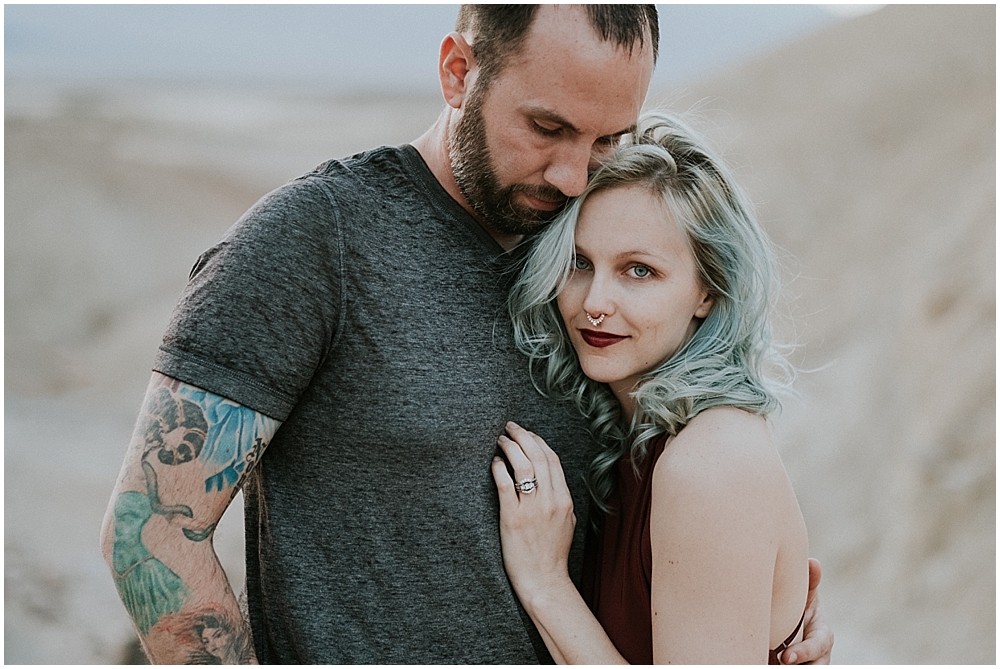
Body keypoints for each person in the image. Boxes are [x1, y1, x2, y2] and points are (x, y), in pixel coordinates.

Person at [100, 6, 833, 663]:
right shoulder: (317, 239)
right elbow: (150, 531)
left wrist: (755, 624)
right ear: (458, 72)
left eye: (608, 138)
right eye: (547, 128)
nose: (575, 174)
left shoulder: (583, 264)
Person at [491, 111, 812, 663]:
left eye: (639, 270)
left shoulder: (710, 462)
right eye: (580, 263)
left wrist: (545, 582)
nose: (595, 302)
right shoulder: (640, 439)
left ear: (707, 291)